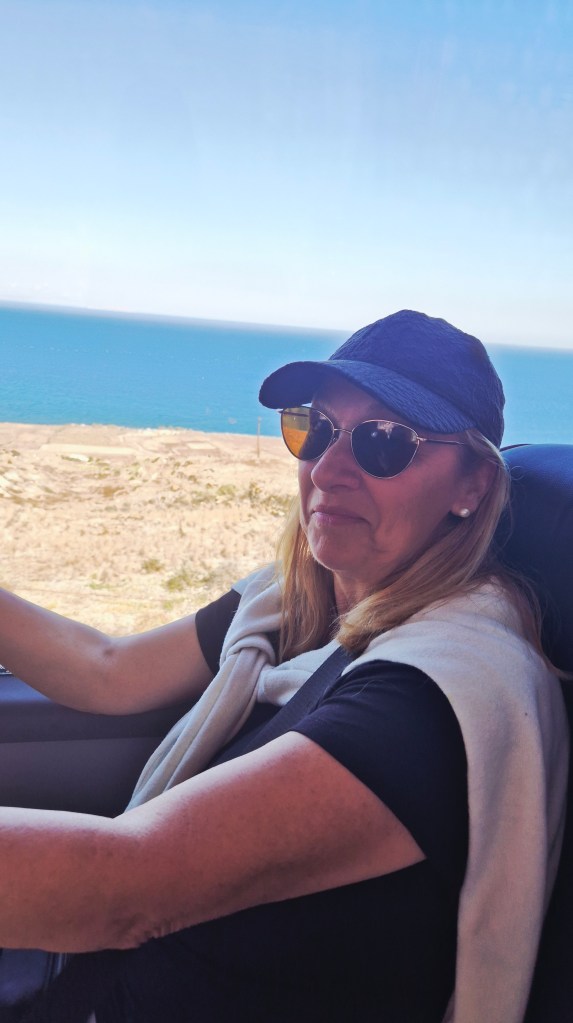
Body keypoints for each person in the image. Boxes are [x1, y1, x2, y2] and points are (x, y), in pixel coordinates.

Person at [0, 309, 567, 1023]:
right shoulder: (290, 606)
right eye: (315, 429)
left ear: (472, 485)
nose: (327, 469)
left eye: (385, 441)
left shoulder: (433, 702)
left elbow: (119, 889)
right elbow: (105, 669)